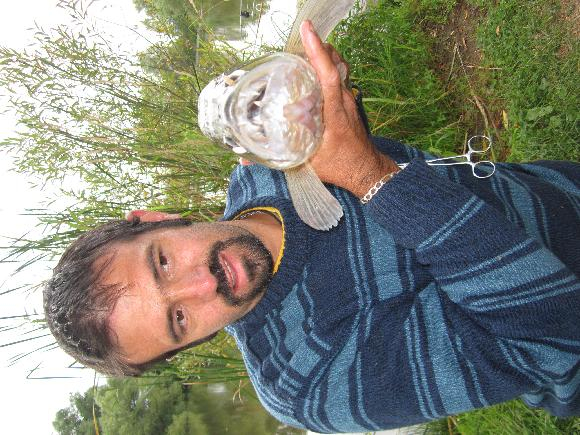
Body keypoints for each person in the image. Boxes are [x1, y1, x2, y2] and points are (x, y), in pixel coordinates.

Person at [44, 20, 579, 432]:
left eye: (163, 262)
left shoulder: (257, 172)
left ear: (155, 220)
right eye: (179, 318)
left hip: (558, 188)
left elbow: (369, 158)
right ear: (188, 344)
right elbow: (555, 337)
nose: (204, 283)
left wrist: (338, 100)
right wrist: (369, 177)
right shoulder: (304, 384)